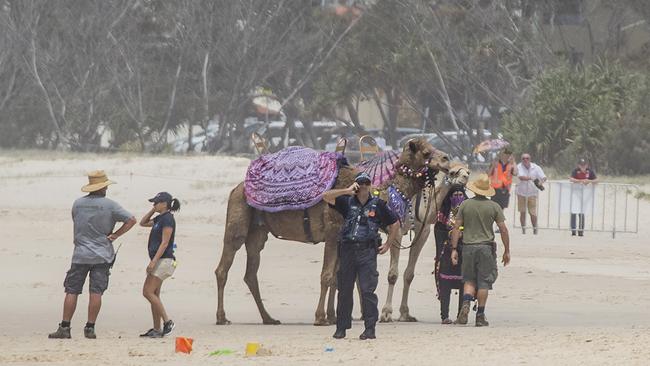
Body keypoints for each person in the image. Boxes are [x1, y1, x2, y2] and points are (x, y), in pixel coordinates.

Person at [49, 171, 136, 339]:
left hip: (80, 254)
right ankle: (90, 327)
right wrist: (116, 234)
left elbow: (76, 220)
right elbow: (131, 219)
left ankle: (65, 327)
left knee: (72, 290)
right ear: (102, 187)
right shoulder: (110, 205)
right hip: (102, 255)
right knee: (96, 292)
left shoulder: (78, 204)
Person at [322, 172, 400, 340]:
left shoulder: (378, 204)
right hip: (348, 251)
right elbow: (325, 196)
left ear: (370, 185)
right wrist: (346, 190)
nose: (363, 186)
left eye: (366, 182)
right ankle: (341, 327)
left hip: (367, 252)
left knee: (367, 291)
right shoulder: (346, 202)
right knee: (344, 291)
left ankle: (370, 328)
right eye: (360, 182)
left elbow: (395, 223)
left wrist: (388, 244)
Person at [450, 173, 510, 327]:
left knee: (469, 279)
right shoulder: (494, 206)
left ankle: (465, 305)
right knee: (484, 282)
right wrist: (507, 250)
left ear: (475, 189)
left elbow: (456, 227)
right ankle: (480, 316)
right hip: (486, 248)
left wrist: (454, 249)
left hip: (468, 247)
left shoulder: (465, 204)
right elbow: (503, 229)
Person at [139, 192, 181, 338]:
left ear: (164, 203)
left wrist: (153, 261)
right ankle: (156, 329)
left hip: (164, 261)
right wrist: (153, 210)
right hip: (160, 261)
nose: (154, 205)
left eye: (156, 203)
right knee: (154, 294)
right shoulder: (159, 218)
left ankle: (168, 322)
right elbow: (142, 223)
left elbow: (165, 243)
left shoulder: (168, 219)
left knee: (147, 292)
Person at [433, 185, 468, 324]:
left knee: (463, 284)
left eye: (460, 194)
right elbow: (438, 232)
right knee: (445, 285)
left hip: (464, 252)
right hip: (446, 253)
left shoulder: (468, 212)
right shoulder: (443, 213)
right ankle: (444, 316)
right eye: (455, 195)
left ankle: (461, 314)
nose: (458, 197)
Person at [515, 153, 546, 234]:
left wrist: (540, 183)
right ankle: (523, 230)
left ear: (530, 159)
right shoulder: (519, 166)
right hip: (521, 193)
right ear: (521, 159)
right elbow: (521, 177)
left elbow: (544, 177)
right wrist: (532, 178)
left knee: (532, 213)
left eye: (527, 158)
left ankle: (535, 229)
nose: (525, 160)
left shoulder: (536, 167)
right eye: (523, 158)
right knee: (522, 212)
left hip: (532, 193)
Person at [569, 158, 598, 236]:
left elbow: (597, 180)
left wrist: (589, 181)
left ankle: (581, 230)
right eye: (581, 165)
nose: (583, 167)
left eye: (584, 165)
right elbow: (571, 179)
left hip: (585, 195)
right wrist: (581, 181)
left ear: (587, 165)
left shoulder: (590, 171)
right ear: (578, 165)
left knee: (582, 213)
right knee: (573, 212)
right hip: (575, 194)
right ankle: (573, 230)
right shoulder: (575, 171)